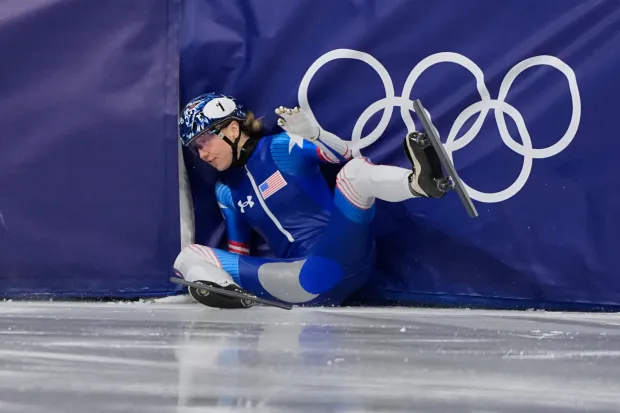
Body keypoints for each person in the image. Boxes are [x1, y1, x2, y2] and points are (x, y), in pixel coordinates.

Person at [173, 92, 448, 309]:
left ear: (232, 129)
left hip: (341, 253)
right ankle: (232, 298)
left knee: (352, 175)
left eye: (205, 141)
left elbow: (346, 156)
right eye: (196, 149)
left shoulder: (281, 147)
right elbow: (239, 255)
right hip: (298, 281)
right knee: (188, 255)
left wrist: (315, 135)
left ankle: (419, 183)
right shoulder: (224, 191)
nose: (203, 154)